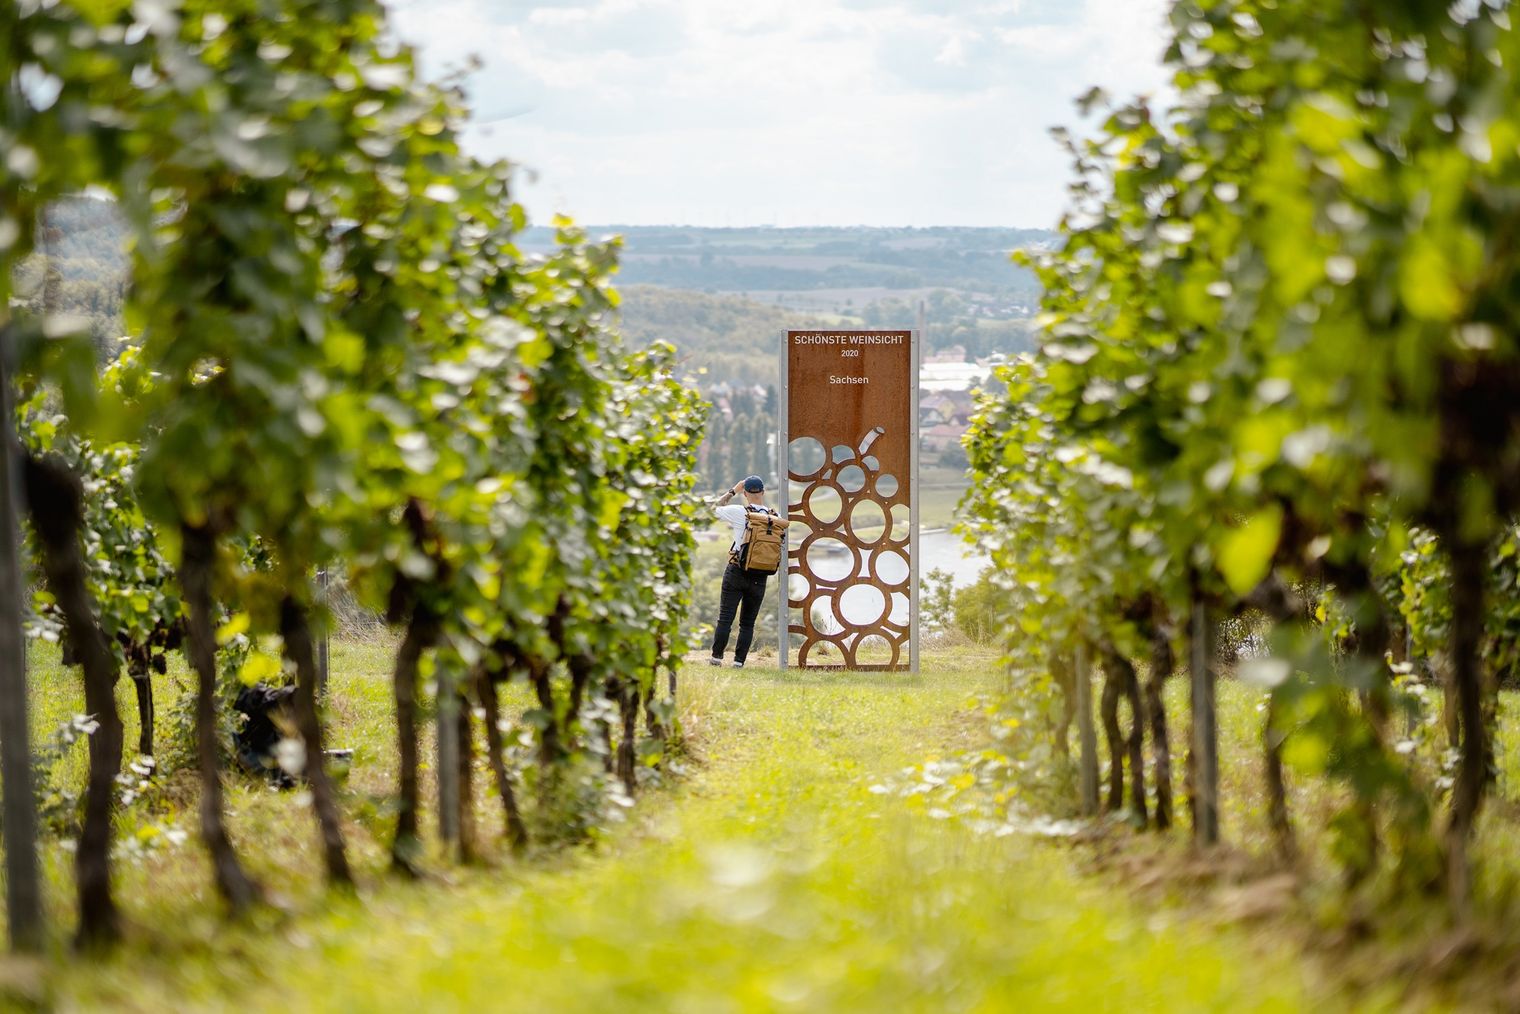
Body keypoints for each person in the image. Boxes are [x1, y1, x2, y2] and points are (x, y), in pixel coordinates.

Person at [708, 474, 779, 668]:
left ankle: (716, 658)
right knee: (747, 623)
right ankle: (739, 662)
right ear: (763, 492)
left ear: (746, 494)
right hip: (761, 575)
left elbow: (711, 510)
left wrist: (732, 491)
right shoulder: (775, 517)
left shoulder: (740, 512)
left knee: (725, 618)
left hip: (737, 572)